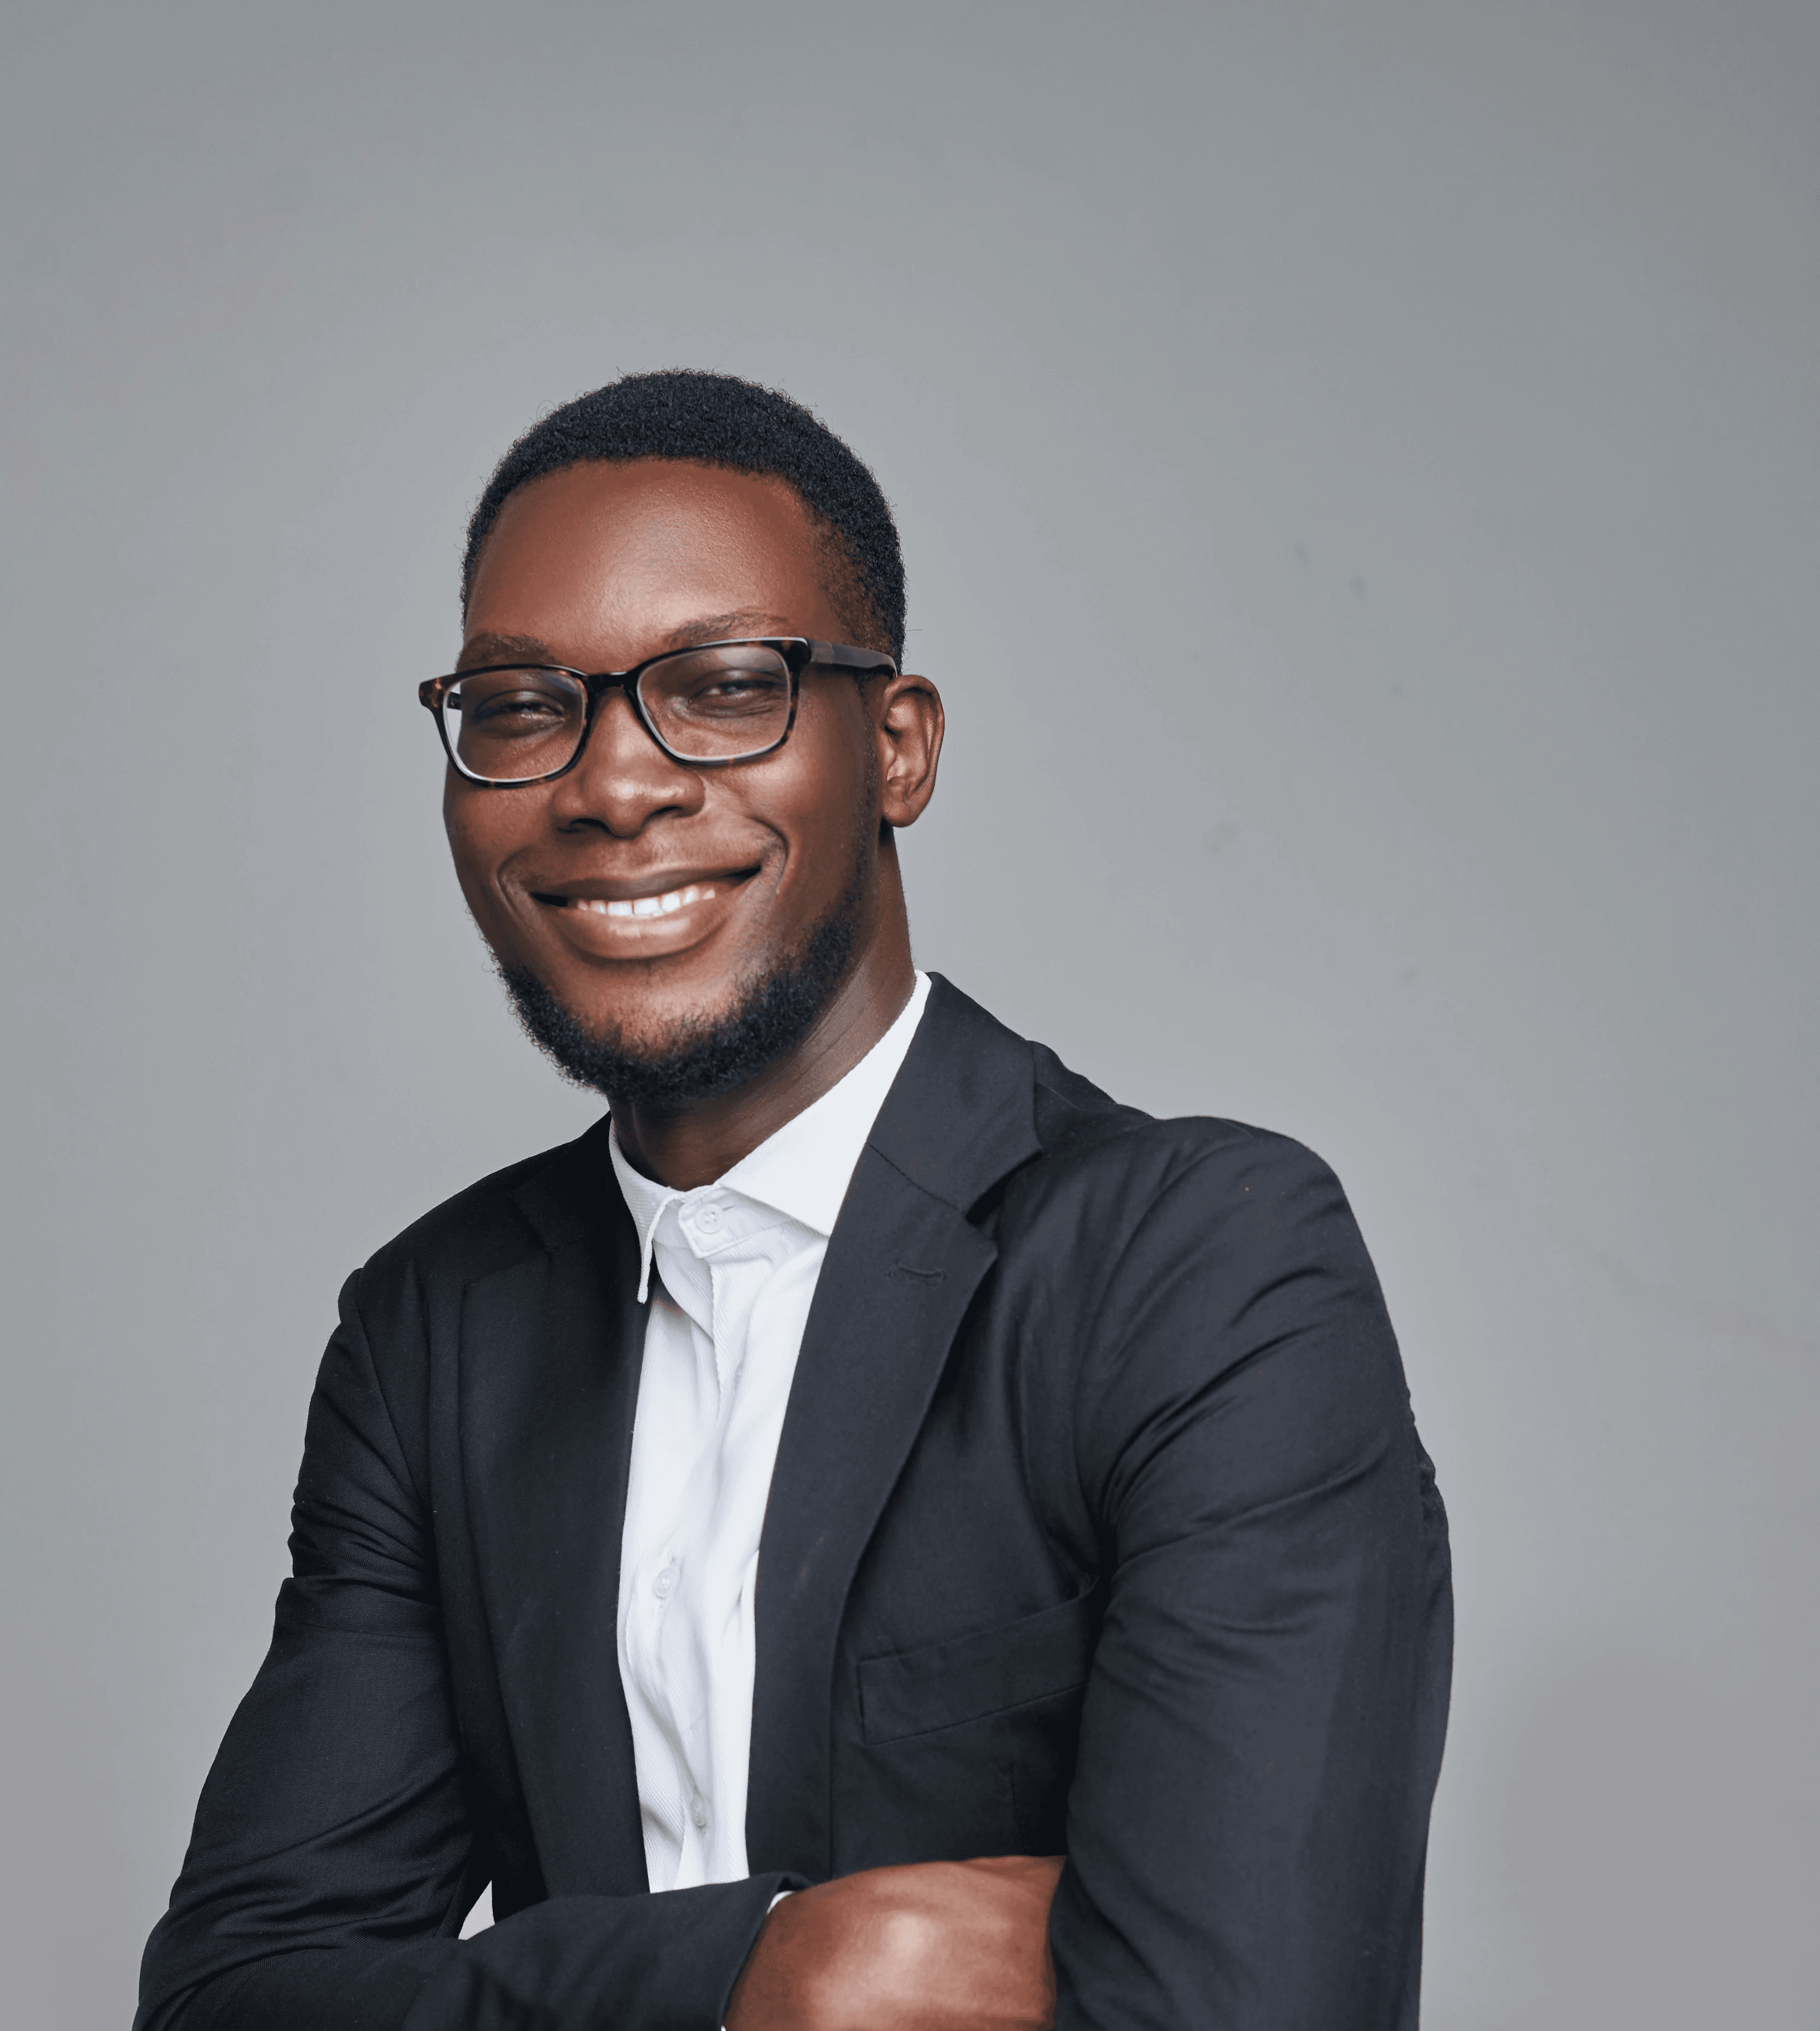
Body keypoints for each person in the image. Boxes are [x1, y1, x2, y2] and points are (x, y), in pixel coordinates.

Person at [135, 371, 1452, 2031]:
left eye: (723, 688)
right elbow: (237, 1999)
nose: (614, 784)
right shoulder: (438, 1335)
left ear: (897, 749)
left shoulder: (1194, 1268)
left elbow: (1258, 2004)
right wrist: (766, 1971)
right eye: (523, 706)